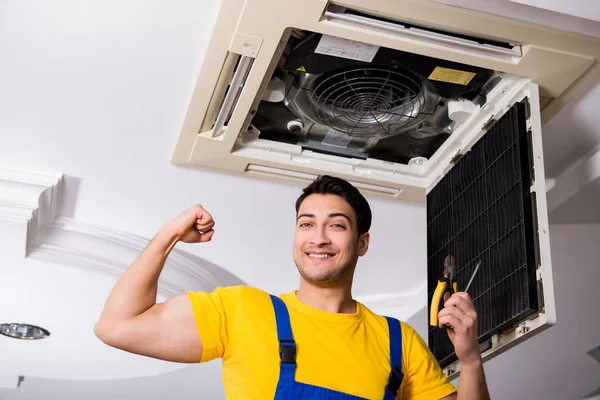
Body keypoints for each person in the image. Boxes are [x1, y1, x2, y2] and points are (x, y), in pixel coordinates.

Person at [95, 175, 490, 399]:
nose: (317, 237)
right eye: (306, 223)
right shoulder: (241, 311)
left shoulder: (396, 341)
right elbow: (117, 326)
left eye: (336, 225)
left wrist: (470, 360)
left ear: (362, 243)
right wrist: (168, 236)